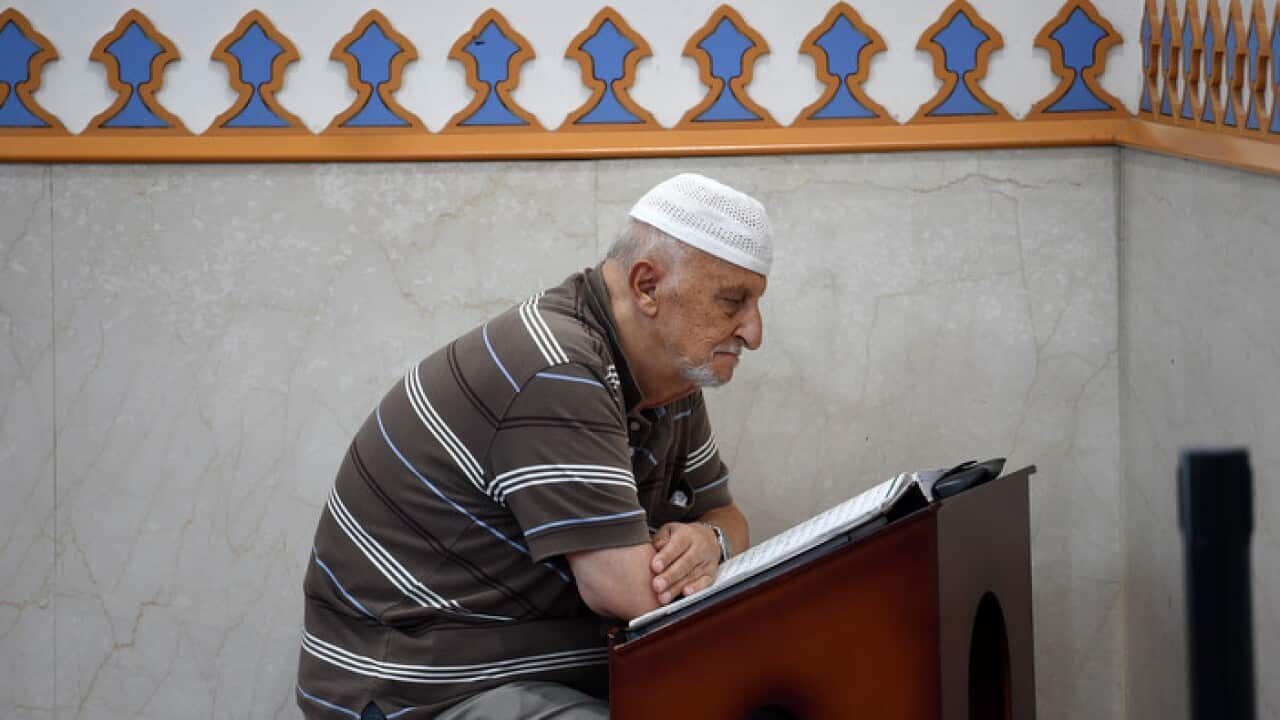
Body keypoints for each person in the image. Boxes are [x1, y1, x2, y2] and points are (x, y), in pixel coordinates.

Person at [296, 173, 772, 719]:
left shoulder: (674, 379)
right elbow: (628, 593)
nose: (754, 332)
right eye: (733, 302)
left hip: (533, 664)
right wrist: (699, 556)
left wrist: (711, 541)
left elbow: (727, 515)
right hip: (416, 687)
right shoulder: (557, 368)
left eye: (755, 303)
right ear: (647, 286)